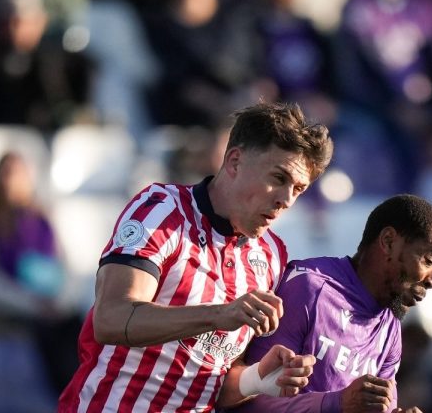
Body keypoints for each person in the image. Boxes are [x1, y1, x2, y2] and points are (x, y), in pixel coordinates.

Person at [58, 101, 333, 412]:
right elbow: (111, 319)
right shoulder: (163, 211)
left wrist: (257, 380)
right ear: (234, 161)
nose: (286, 199)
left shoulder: (271, 254)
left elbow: (212, 384)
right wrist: (217, 314)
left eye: (298, 189)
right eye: (279, 178)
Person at [222, 194, 432, 413]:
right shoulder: (308, 288)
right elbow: (248, 399)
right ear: (388, 241)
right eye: (429, 260)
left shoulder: (390, 328)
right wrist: (337, 403)